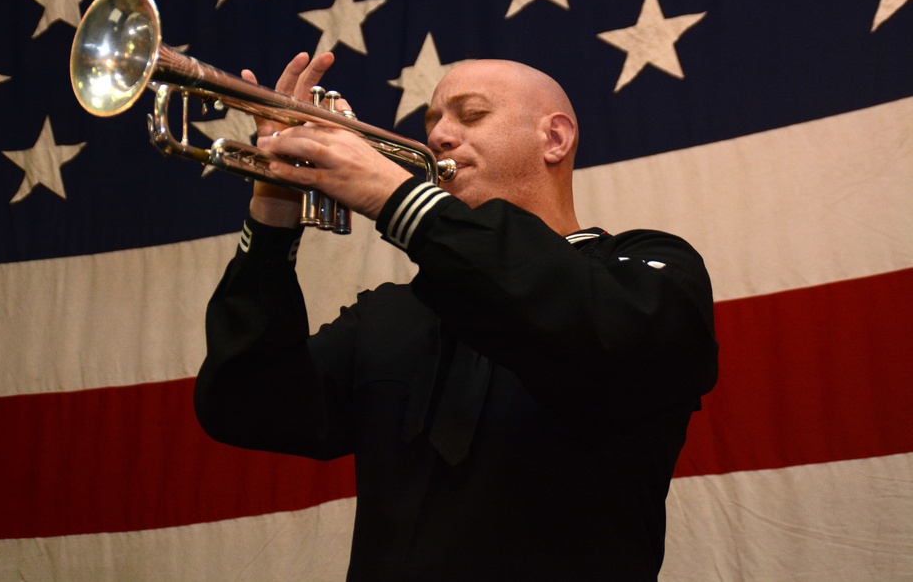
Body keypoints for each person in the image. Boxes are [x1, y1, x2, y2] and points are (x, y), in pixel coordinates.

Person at [194, 52, 719, 580]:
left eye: (470, 116)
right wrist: (274, 205)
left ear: (554, 139)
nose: (439, 136)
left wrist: (397, 198)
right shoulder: (391, 312)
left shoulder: (648, 269)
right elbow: (244, 404)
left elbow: (599, 339)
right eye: (432, 123)